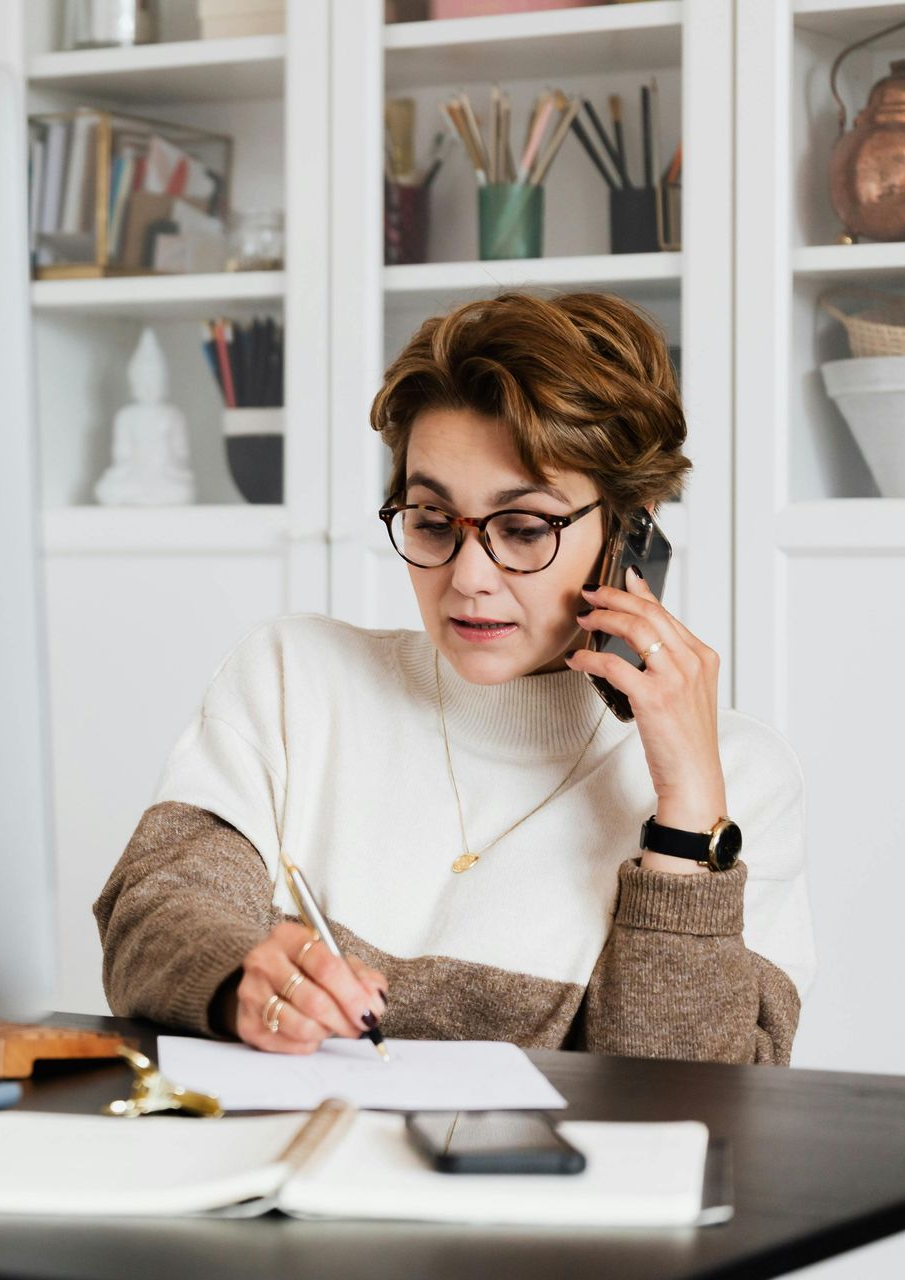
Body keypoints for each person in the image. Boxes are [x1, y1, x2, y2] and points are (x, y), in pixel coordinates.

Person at [92, 291, 813, 1066]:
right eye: (433, 521)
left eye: (525, 527)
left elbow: (685, 1096)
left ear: (629, 530)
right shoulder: (294, 679)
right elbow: (153, 914)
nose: (469, 576)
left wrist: (685, 821)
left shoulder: (735, 779)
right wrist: (244, 978)